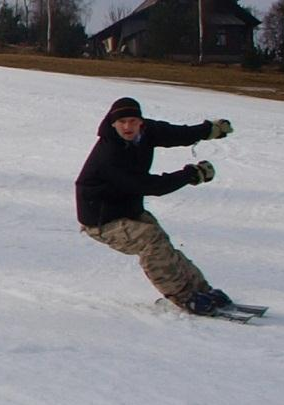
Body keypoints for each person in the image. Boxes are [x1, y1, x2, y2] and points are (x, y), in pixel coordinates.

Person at [75, 97, 234, 316]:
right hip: (101, 219)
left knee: (162, 242)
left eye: (132, 121)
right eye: (122, 122)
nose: (127, 127)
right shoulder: (109, 155)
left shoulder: (146, 131)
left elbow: (176, 134)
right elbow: (147, 185)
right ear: (113, 124)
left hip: (127, 209)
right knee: (151, 242)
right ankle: (184, 297)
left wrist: (208, 130)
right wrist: (191, 174)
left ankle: (200, 290)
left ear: (141, 121)